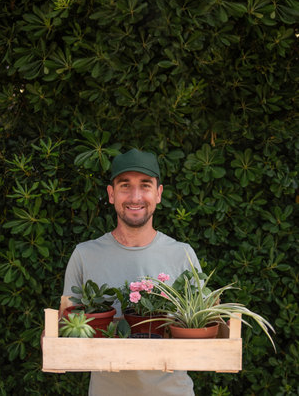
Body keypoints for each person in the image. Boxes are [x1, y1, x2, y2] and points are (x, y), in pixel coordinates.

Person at [60, 148, 202, 396]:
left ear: (158, 194)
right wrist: (49, 337)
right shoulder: (84, 255)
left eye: (145, 185)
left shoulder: (183, 255)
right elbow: (65, 327)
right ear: (111, 194)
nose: (135, 197)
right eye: (125, 186)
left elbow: (202, 330)